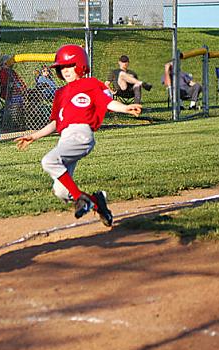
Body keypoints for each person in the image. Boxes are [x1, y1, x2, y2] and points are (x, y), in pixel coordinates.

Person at [15, 45, 142, 227]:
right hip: (65, 139)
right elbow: (55, 123)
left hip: (81, 134)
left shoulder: (90, 84)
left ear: (81, 65)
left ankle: (81, 199)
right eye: (61, 68)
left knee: (49, 161)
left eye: (69, 66)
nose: (65, 71)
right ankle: (97, 202)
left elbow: (107, 102)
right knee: (61, 191)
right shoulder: (60, 93)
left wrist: (125, 108)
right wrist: (34, 136)